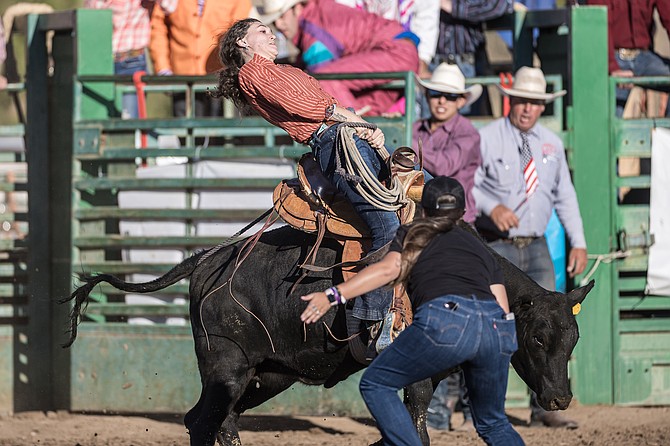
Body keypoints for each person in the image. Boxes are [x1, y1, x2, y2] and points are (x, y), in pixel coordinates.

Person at [300, 176, 525, 446]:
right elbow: (501, 306)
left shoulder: (416, 232)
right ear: (462, 213)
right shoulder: (481, 249)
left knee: (377, 384)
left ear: (424, 210)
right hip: (496, 329)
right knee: (494, 423)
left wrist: (332, 295)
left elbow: (387, 270)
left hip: (446, 318)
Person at [210, 18, 399, 329]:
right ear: (242, 43)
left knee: (422, 194)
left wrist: (363, 130)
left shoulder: (282, 70)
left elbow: (321, 104)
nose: (271, 34)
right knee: (387, 226)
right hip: (334, 141)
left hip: (343, 137)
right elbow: (305, 104)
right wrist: (353, 119)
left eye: (270, 31)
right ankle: (373, 321)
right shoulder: (253, 72)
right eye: (261, 31)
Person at [473, 66, 587, 428]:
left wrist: (579, 241)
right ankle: (481, 407)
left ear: (542, 106)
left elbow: (564, 194)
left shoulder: (550, 144)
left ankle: (544, 405)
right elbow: (469, 185)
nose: (527, 108)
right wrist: (493, 207)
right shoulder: (487, 137)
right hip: (497, 246)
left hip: (536, 246)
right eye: (522, 101)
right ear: (512, 100)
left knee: (548, 333)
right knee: (489, 330)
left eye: (535, 103)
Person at [259, 0, 420, 115]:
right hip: (397, 52)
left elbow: (318, 80)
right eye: (274, 21)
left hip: (394, 52)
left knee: (324, 80)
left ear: (298, 8)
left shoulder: (312, 29)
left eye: (282, 17)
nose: (279, 25)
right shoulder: (318, 14)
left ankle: (355, 139)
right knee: (369, 115)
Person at [149, 0, 253, 118]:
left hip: (221, 77)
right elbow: (158, 29)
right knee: (185, 130)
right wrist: (163, 68)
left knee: (221, 129)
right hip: (182, 77)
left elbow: (239, 30)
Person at [413, 63, 482, 224]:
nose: (442, 101)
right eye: (436, 94)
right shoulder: (416, 129)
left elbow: (444, 166)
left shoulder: (468, 133)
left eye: (450, 96)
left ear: (460, 101)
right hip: (423, 218)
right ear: (428, 96)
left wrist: (404, 143)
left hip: (457, 220)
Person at [84, 0, 178, 119]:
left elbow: (170, 6)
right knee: (98, 117)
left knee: (129, 121)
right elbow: (90, 14)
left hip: (132, 62)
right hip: (100, 60)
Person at [424, 0, 513, 117]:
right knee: (428, 125)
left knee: (467, 123)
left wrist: (453, 7)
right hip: (431, 64)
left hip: (467, 65)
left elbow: (499, 5)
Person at [586, 0, 670, 117]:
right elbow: (600, 25)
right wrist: (612, 67)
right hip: (612, 57)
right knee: (610, 116)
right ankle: (612, 132)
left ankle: (664, 133)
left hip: (644, 57)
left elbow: (668, 16)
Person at [334, 0, 440, 79]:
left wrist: (422, 57)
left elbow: (427, 20)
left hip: (401, 58)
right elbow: (342, 19)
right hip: (355, 55)